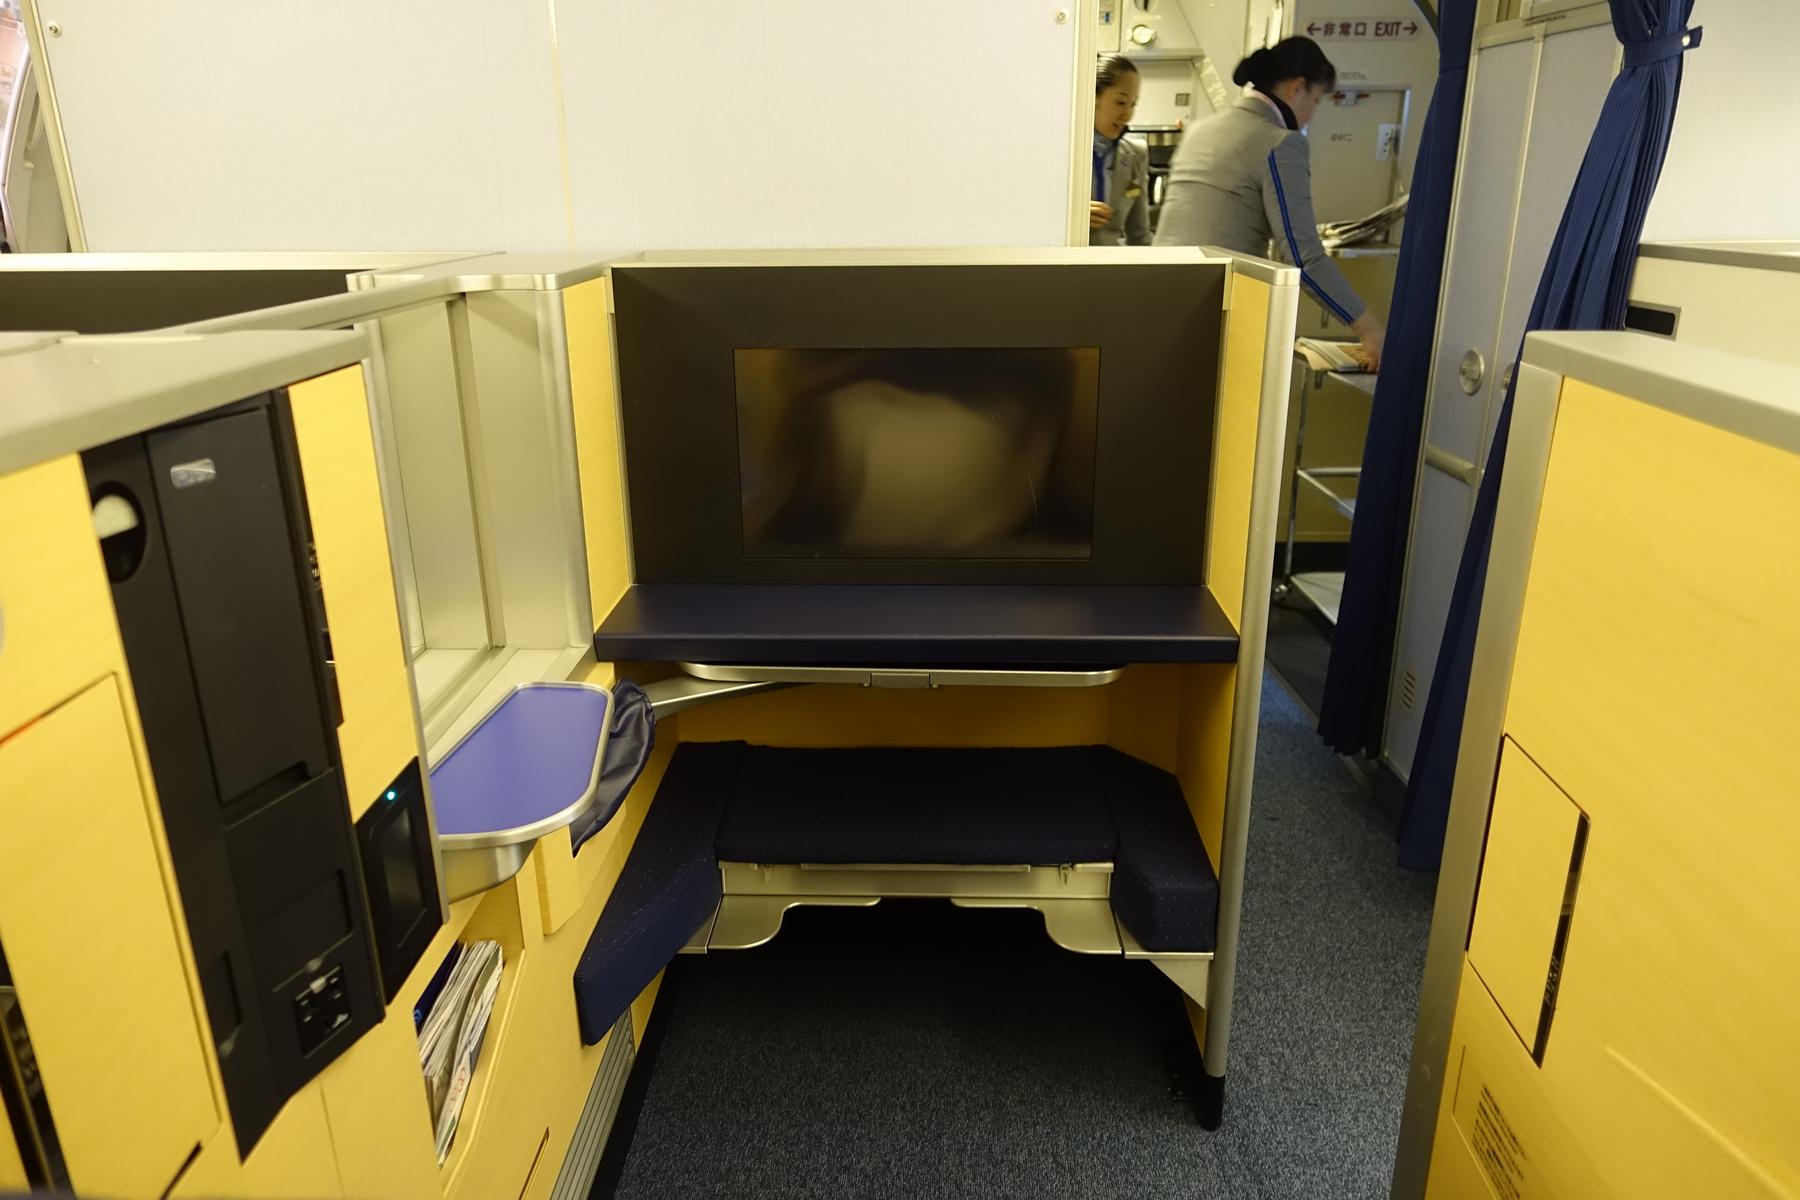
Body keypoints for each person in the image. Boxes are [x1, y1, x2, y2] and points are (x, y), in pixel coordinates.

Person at [1153, 37, 1385, 369]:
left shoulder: (1201, 130)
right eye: (1317, 100)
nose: (1310, 117)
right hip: (1210, 318)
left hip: (1157, 309)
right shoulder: (1279, 142)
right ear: (1298, 88)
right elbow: (1304, 258)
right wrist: (1370, 330)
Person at [1090, 55, 1152, 247]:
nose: (1128, 115)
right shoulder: (1058, 150)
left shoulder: (1136, 156)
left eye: (1133, 104)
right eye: (1121, 102)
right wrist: (1068, 216)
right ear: (1093, 97)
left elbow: (1139, 235)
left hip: (1109, 272)